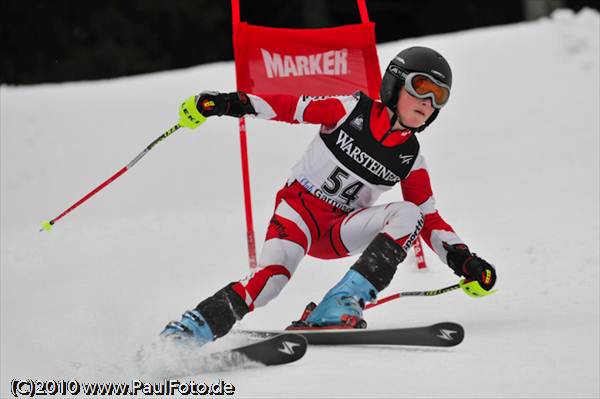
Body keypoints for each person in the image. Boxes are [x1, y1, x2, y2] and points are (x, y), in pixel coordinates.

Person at [161, 46, 497, 346]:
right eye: (421, 87)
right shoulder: (351, 110)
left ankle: (339, 303)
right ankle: (189, 333)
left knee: (410, 213)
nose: (429, 102)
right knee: (272, 279)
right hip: (298, 213)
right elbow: (289, 107)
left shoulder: (411, 159)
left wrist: (463, 260)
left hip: (339, 231)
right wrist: (228, 103)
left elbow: (430, 219)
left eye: (439, 96)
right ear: (395, 84)